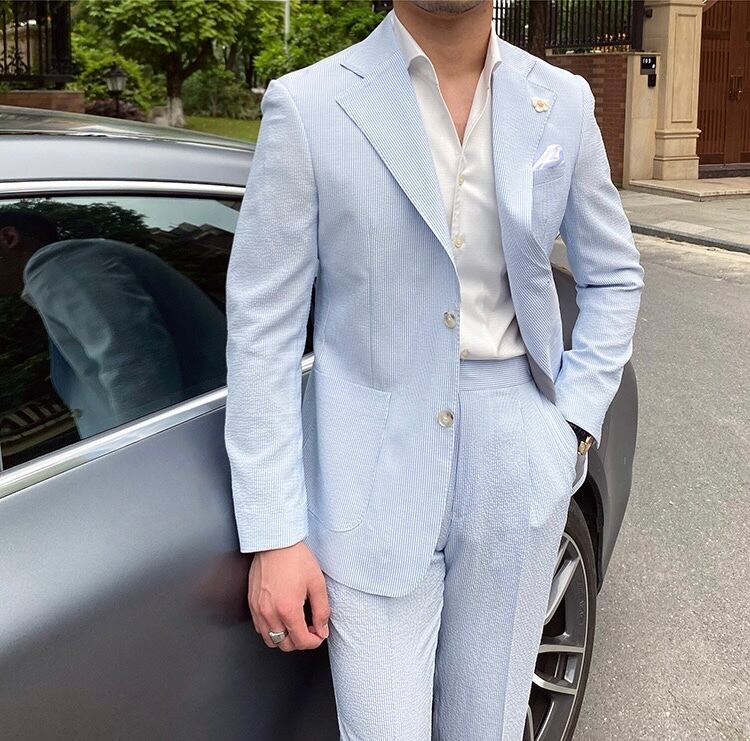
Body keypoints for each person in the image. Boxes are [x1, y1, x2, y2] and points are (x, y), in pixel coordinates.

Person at [224, 2, 645, 739]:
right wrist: (275, 532)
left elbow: (614, 275)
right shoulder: (310, 105)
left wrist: (572, 422)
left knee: (491, 725)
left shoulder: (563, 100)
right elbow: (264, 327)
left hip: (517, 449)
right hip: (369, 468)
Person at [0, 209, 227, 438]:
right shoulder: (59, 272)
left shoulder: (54, 266)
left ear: (8, 238)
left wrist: (144, 445)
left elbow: (131, 360)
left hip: (193, 437)